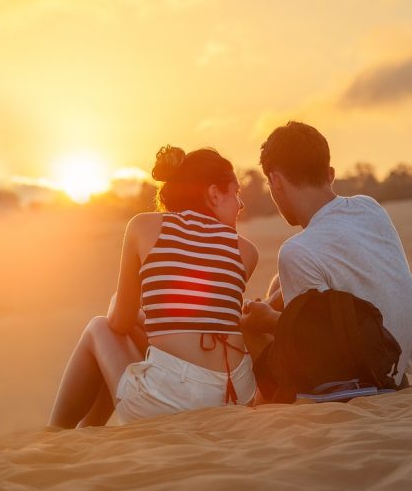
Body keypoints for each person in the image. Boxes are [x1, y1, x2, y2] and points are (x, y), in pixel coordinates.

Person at [49, 146, 259, 428]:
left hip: (178, 399)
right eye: (236, 193)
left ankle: (55, 432)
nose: (240, 204)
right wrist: (142, 320)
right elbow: (195, 320)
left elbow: (119, 323)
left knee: (99, 327)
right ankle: (88, 434)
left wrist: (119, 304)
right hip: (236, 395)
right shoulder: (246, 251)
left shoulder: (142, 227)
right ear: (213, 194)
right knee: (137, 337)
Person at [241, 121, 412, 390]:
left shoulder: (297, 250)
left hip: (367, 375)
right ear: (330, 173)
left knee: (250, 329)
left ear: (275, 181)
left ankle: (262, 409)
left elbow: (314, 340)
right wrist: (269, 304)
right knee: (282, 281)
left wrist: (265, 319)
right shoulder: (370, 208)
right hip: (396, 364)